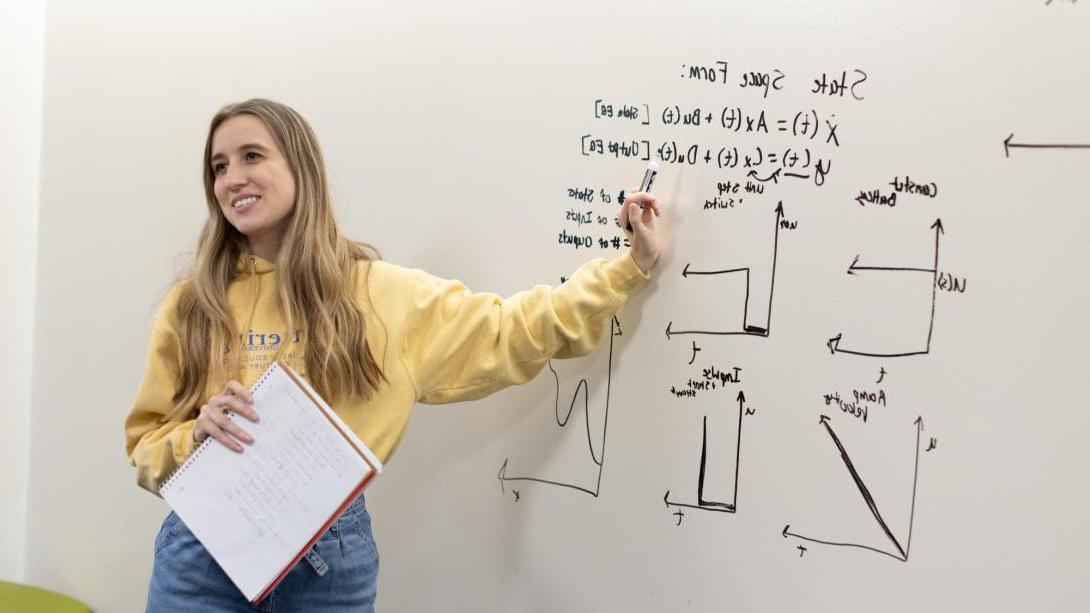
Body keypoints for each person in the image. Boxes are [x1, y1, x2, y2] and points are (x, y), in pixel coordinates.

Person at [124, 98, 661, 612]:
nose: (232, 178)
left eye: (252, 156)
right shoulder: (192, 305)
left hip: (327, 563)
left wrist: (627, 266)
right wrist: (194, 434)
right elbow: (145, 447)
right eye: (218, 167)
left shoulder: (382, 295)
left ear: (301, 167)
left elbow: (514, 328)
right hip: (202, 556)